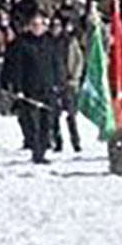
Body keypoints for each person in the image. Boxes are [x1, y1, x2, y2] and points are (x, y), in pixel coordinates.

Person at [1, 12, 62, 164]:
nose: (37, 28)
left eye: (40, 25)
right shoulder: (22, 43)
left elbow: (57, 64)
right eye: (34, 25)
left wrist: (58, 83)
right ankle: (36, 151)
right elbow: (17, 67)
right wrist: (17, 88)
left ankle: (43, 148)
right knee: (32, 123)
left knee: (47, 122)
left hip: (47, 88)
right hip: (29, 89)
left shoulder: (50, 42)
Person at [49, 17, 83, 154]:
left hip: (67, 81)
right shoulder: (47, 42)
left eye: (57, 25)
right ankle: (57, 142)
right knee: (53, 115)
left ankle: (76, 141)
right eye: (52, 26)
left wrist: (74, 78)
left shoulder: (69, 41)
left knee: (71, 114)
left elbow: (79, 60)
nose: (55, 28)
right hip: (52, 82)